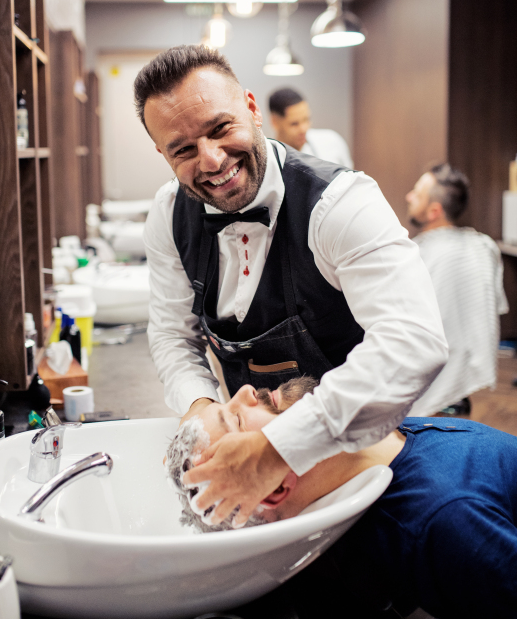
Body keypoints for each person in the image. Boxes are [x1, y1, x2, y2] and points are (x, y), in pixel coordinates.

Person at [137, 44, 447, 527]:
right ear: (162, 153)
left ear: (253, 109)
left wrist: (277, 448)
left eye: (221, 129)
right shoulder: (167, 215)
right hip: (271, 499)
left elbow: (414, 342)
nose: (213, 160)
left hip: (366, 461)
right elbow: (174, 336)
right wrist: (201, 408)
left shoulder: (341, 204)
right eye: (183, 149)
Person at [166, 379, 517, 619]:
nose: (244, 391)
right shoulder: (440, 524)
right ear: (273, 490)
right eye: (237, 418)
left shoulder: (391, 448)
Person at [406, 163, 508, 417]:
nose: (409, 196)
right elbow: (496, 307)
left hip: (424, 385)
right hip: (466, 383)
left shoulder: (413, 255)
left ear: (434, 211)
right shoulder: (484, 246)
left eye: (417, 194)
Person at [268, 87, 353, 167]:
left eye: (306, 119)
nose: (303, 129)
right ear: (275, 122)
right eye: (294, 124)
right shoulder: (269, 163)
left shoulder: (332, 141)